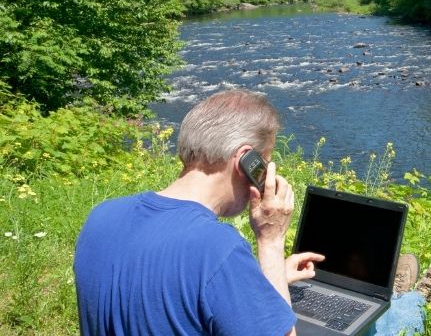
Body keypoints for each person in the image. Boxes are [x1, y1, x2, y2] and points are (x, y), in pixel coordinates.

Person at [74, 89, 323, 335]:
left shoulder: (101, 217)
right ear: (245, 161)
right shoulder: (218, 249)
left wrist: (261, 282)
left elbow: (162, 290)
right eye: (264, 164)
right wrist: (271, 241)